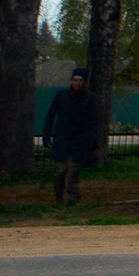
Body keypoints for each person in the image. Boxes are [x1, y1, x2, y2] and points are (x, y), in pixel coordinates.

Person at [43, 67, 96, 205]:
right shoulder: (61, 95)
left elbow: (93, 120)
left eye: (80, 81)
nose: (77, 83)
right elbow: (51, 115)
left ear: (84, 82)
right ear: (71, 81)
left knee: (73, 170)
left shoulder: (89, 97)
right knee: (60, 170)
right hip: (62, 138)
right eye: (75, 80)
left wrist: (91, 140)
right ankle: (58, 196)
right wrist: (46, 134)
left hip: (78, 139)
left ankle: (73, 198)